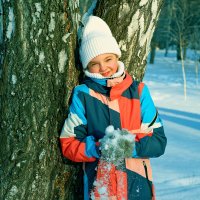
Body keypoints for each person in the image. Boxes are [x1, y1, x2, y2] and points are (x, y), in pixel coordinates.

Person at [60, 15, 167, 200]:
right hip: (101, 188)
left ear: (117, 56)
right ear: (86, 66)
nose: (103, 68)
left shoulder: (139, 91)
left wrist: (129, 146)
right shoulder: (84, 95)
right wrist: (98, 148)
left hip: (138, 187)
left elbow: (158, 141)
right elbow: (68, 143)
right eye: (94, 63)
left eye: (108, 59)